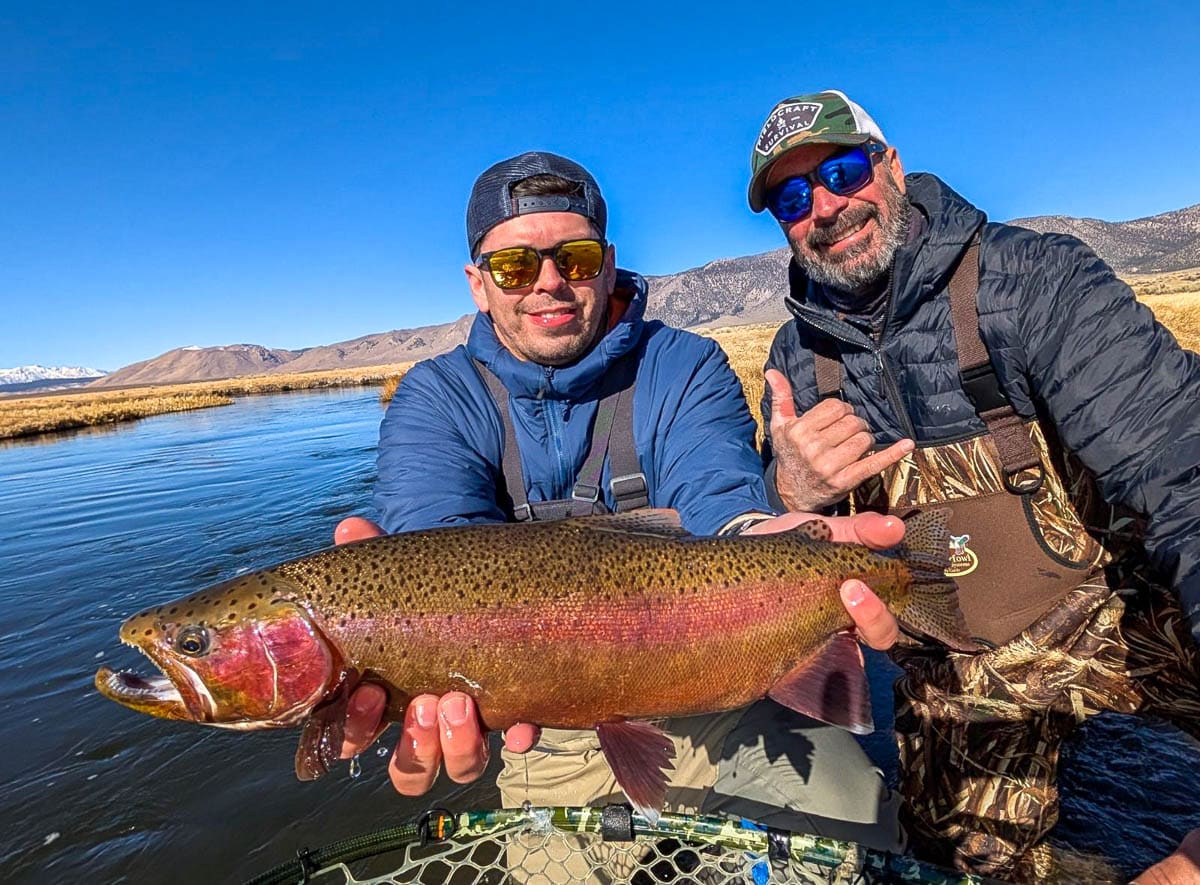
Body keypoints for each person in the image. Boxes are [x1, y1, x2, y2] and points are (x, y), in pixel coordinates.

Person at [335, 150, 910, 878]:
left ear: (607, 264)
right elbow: (433, 548)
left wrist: (767, 533)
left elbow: (723, 501)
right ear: (478, 285)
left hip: (726, 684)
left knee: (849, 839)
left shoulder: (686, 366)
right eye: (514, 267)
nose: (549, 282)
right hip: (548, 729)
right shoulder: (435, 398)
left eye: (572, 257)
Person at [746, 89, 1200, 880]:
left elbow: (1179, 466)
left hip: (1120, 614)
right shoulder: (793, 362)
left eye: (842, 171)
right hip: (952, 665)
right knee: (958, 858)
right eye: (791, 197)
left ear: (891, 166)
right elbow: (764, 537)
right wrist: (790, 493)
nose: (823, 207)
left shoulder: (1033, 282)